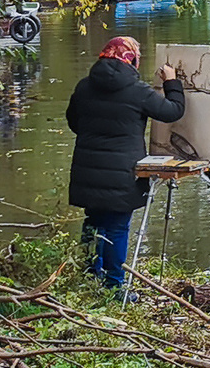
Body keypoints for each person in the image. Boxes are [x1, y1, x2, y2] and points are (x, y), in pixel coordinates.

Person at [64, 36, 185, 293]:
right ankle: (114, 288)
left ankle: (89, 279)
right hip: (122, 173)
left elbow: (74, 123)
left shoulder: (84, 87)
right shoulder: (137, 91)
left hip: (87, 171)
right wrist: (172, 82)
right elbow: (173, 111)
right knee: (117, 227)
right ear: (132, 60)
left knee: (93, 222)